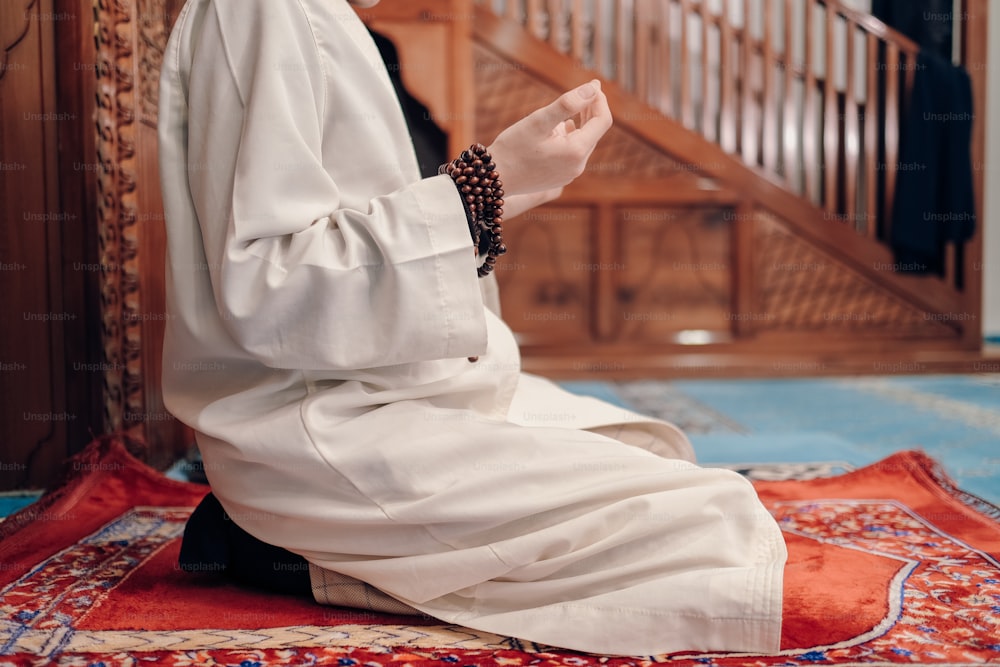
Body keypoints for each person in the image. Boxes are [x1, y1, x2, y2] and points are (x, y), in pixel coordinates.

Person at [158, 0, 786, 656]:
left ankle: (332, 548)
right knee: (713, 524)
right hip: (312, 425)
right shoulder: (262, 10)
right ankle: (290, 551)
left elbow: (355, 240)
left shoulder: (326, 18)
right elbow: (270, 290)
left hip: (380, 392)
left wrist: (500, 192)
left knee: (655, 452)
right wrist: (481, 187)